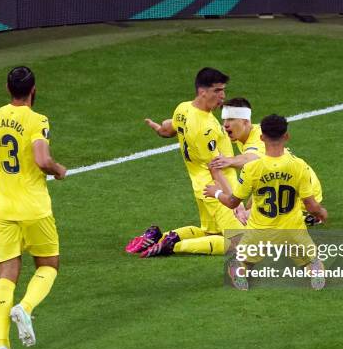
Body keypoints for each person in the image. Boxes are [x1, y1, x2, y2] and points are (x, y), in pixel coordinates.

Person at [0, 66, 67, 349]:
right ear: (33, 89)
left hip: (4, 210)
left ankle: (2, 347)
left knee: (6, 276)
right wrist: (58, 169)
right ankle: (25, 306)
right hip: (35, 208)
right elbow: (41, 159)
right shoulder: (38, 120)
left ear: (6, 88)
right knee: (49, 265)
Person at [125, 67, 245, 258]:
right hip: (216, 189)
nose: (222, 96)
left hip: (200, 186)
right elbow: (215, 168)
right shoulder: (205, 127)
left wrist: (159, 129)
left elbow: (169, 128)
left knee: (211, 234)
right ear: (202, 91)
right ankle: (172, 246)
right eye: (217, 91)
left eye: (223, 90)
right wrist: (235, 202)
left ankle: (159, 236)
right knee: (242, 242)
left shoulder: (183, 108)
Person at [204, 114, 328, 290]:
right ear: (286, 136)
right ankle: (315, 274)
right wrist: (321, 213)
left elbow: (232, 202)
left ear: (262, 138)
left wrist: (216, 192)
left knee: (243, 262)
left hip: (260, 231)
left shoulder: (252, 168)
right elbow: (310, 205)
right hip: (292, 230)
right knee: (312, 261)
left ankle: (239, 272)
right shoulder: (299, 166)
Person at [209, 97, 324, 225]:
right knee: (246, 211)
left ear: (245, 121)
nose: (225, 124)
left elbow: (253, 157)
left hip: (300, 191)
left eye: (230, 119)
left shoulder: (258, 137)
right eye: (224, 119)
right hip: (286, 181)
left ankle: (302, 216)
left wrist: (229, 161)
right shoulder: (248, 135)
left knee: (244, 222)